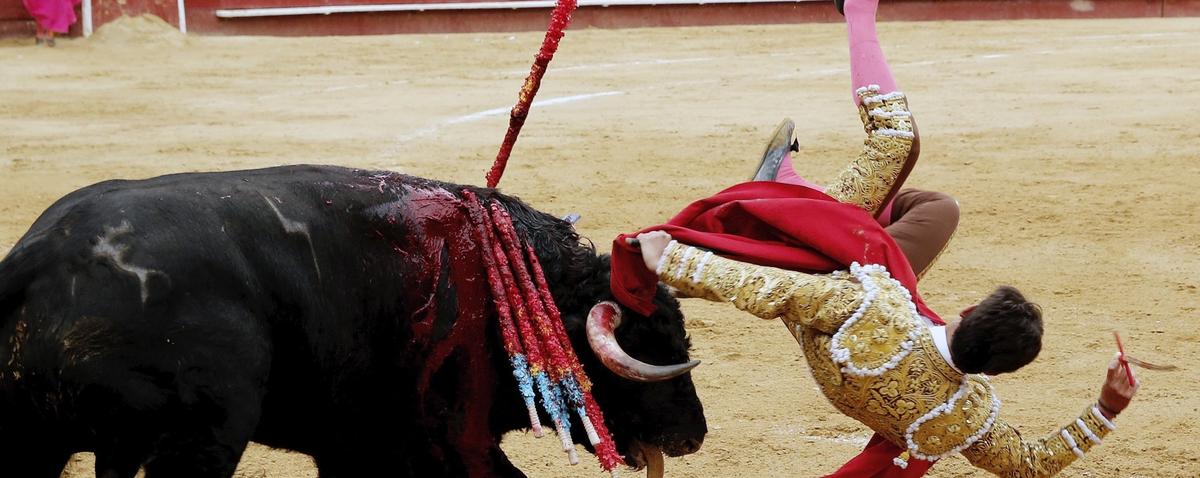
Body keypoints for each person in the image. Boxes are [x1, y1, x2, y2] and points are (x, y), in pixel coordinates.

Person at [612, 0, 1139, 476]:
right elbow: (1030, 464)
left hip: (824, 261)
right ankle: (793, 189)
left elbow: (770, 289)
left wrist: (673, 261)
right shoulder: (961, 416)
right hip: (838, 309)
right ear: (996, 371)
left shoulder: (875, 311)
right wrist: (1106, 409)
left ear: (967, 311)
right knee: (937, 209)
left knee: (896, 140)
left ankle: (855, 20)